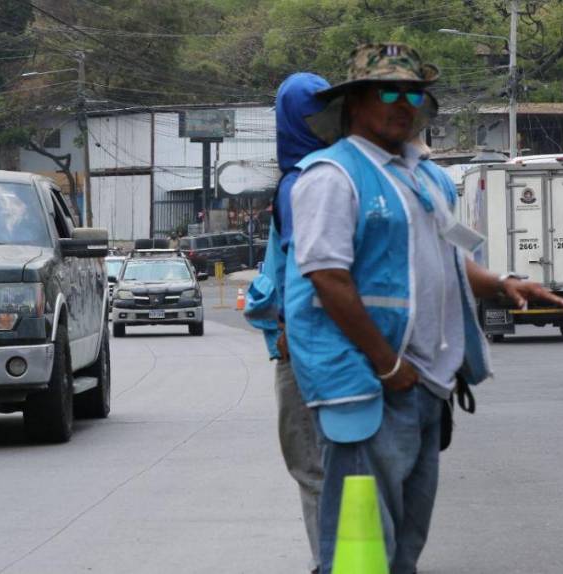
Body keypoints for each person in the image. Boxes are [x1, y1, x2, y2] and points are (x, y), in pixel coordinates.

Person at [284, 43, 563, 574]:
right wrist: (387, 365)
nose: (403, 103)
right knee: (359, 551)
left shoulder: (427, 178)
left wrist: (504, 283)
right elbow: (326, 277)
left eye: (414, 93)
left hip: (424, 384)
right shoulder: (330, 175)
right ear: (353, 103)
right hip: (367, 385)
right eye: (387, 91)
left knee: (405, 545)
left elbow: (452, 261)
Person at [244, 72, 331, 574]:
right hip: (354, 344)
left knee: (311, 464)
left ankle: (331, 562)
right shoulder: (347, 174)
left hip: (306, 346)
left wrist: (287, 330)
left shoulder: (301, 184)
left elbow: (310, 270)